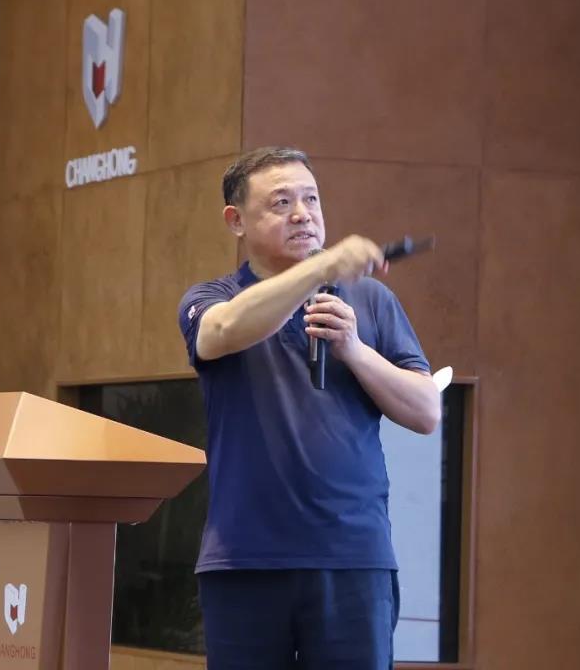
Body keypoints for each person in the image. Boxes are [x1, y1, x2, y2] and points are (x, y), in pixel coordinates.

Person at [177, 146, 440, 669]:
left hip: (353, 559)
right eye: (281, 203)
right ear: (236, 220)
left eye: (311, 199)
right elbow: (221, 332)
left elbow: (426, 410)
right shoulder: (214, 297)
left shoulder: (371, 300)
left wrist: (355, 350)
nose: (302, 214)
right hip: (245, 561)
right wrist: (320, 266)